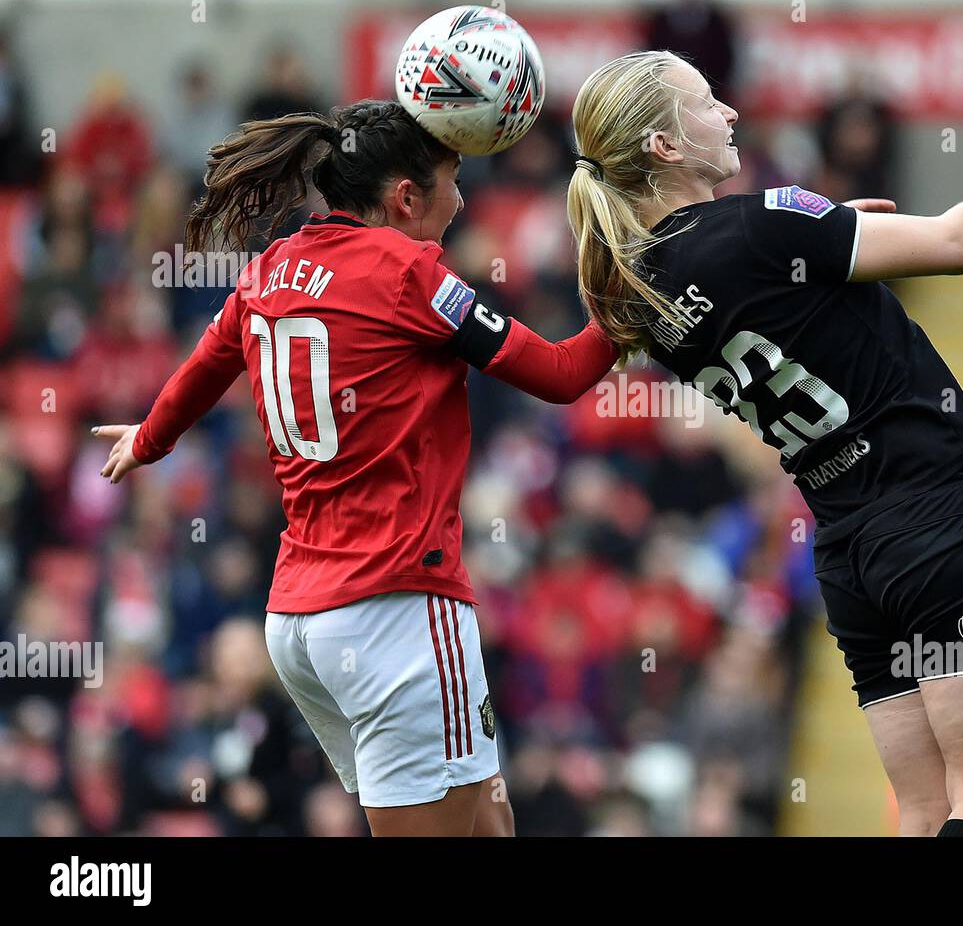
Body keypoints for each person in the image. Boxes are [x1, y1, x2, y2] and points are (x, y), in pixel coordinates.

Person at [565, 51, 963, 836]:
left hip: (851, 552)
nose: (730, 112)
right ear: (665, 148)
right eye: (706, 103)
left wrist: (817, 234)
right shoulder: (754, 223)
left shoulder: (642, 288)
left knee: (925, 811)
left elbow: (770, 294)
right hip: (944, 520)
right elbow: (959, 243)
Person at [93, 100, 617, 836]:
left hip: (299, 622)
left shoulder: (271, 269)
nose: (462, 200)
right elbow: (562, 375)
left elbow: (205, 366)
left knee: (486, 809)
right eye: (451, 180)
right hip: (395, 608)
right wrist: (633, 299)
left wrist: (148, 438)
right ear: (406, 197)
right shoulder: (408, 272)